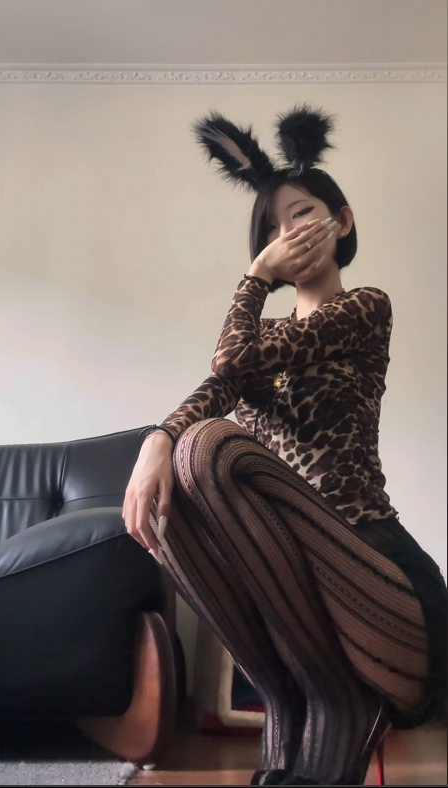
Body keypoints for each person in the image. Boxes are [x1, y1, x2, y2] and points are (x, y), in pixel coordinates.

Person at [122, 105, 447, 786]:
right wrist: (155, 440)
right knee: (175, 476)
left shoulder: (365, 309)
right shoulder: (262, 342)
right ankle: (289, 698)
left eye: (300, 215)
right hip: (295, 588)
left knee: (209, 447)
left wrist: (255, 278)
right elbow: (218, 383)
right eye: (269, 229)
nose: (285, 236)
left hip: (378, 579)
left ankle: (333, 703)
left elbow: (230, 363)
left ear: (342, 221)